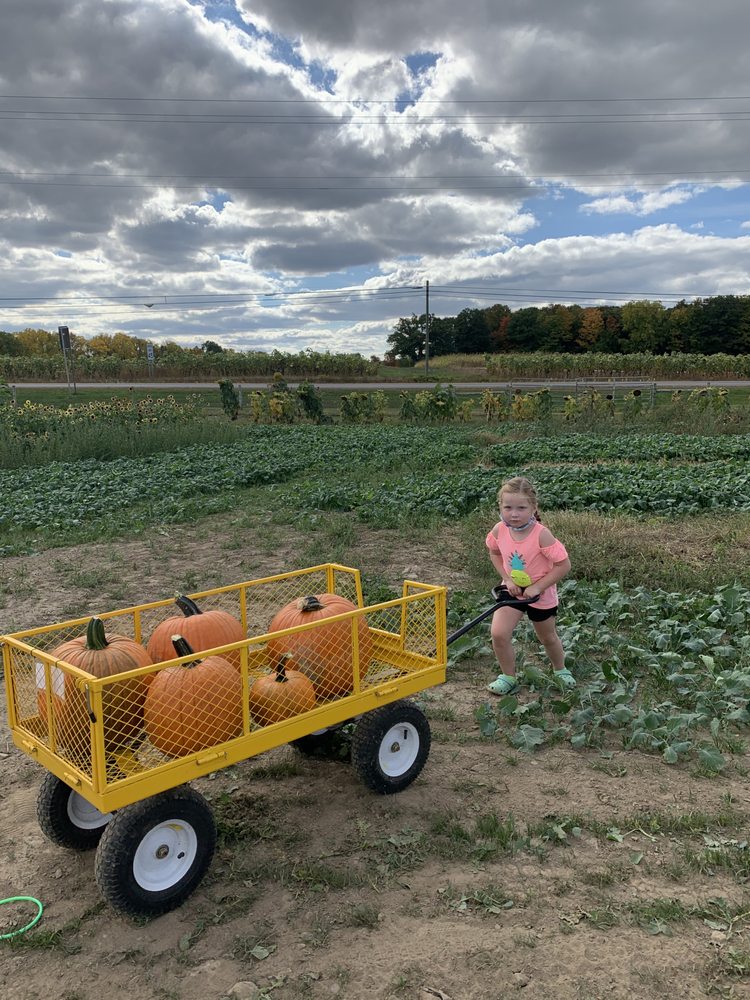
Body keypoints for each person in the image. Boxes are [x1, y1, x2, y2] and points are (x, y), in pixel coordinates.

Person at [485, 476, 574, 695]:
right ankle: (508, 676)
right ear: (500, 507)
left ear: (533, 508)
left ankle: (560, 669)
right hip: (512, 591)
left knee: (547, 637)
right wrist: (507, 579)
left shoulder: (542, 535)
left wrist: (538, 587)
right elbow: (494, 552)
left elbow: (563, 565)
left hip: (539, 595)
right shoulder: (499, 530)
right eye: (508, 507)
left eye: (521, 508)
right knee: (498, 633)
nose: (514, 514)